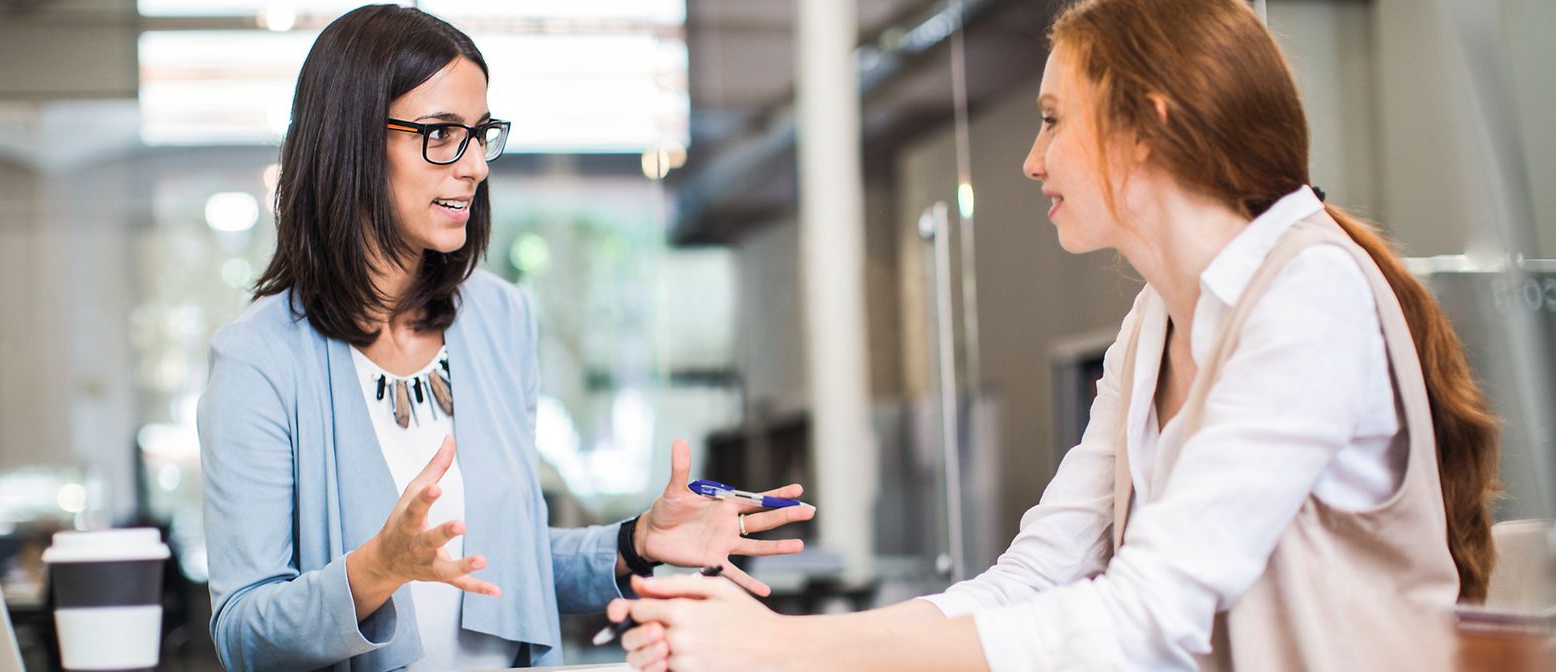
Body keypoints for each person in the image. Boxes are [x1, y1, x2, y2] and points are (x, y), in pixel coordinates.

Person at [608, 0, 1501, 669]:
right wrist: (781, 640)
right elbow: (1033, 581)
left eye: (1051, 118)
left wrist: (781, 651)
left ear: (1144, 124)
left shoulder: (1311, 296)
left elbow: (1148, 614)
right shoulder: (1153, 324)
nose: (1032, 160)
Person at [196, 6, 815, 671]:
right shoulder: (259, 359)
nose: (473, 167)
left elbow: (505, 563)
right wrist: (374, 571)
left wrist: (637, 542)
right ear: (348, 140)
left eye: (479, 134)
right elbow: (243, 633)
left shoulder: (499, 318)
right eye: (439, 134)